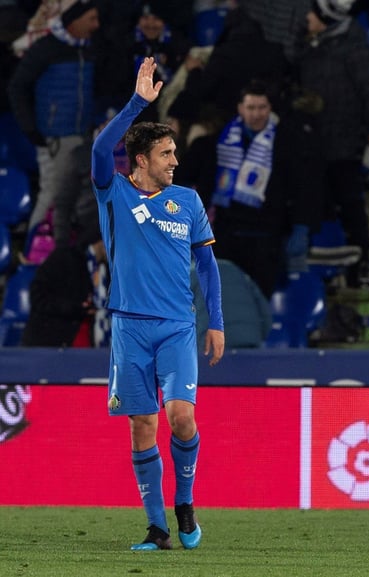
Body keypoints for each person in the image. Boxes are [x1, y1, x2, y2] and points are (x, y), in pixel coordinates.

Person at [91, 57, 225, 551]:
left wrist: (217, 323)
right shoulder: (113, 192)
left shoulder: (187, 201)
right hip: (129, 328)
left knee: (181, 417)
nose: (174, 161)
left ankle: (184, 503)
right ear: (140, 160)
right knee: (142, 424)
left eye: (175, 152)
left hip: (176, 327)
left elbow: (208, 267)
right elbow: (103, 146)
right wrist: (137, 104)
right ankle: (156, 527)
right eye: (166, 153)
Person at [297, 0, 369, 288]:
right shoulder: (308, 46)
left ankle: (361, 268)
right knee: (320, 211)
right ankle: (328, 274)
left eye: (312, 12)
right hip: (315, 145)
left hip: (345, 144)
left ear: (324, 17)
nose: (307, 17)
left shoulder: (352, 45)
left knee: (351, 209)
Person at [210, 79, 324, 298]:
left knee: (261, 299)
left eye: (262, 107)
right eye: (251, 108)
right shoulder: (223, 141)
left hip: (268, 238)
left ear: (270, 108)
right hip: (229, 235)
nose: (257, 114)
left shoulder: (288, 140)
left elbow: (303, 186)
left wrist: (301, 226)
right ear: (240, 109)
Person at [7, 0, 100, 246]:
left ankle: (63, 255)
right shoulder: (46, 48)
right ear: (74, 21)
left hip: (81, 135)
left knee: (75, 200)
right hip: (54, 137)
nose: (96, 25)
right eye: (91, 19)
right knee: (53, 196)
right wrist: (31, 128)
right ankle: (32, 251)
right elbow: (17, 87)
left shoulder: (88, 49)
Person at [21, 233, 108, 347]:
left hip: (91, 348)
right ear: (102, 240)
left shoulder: (108, 272)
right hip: (52, 345)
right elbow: (38, 297)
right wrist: (75, 308)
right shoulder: (64, 258)